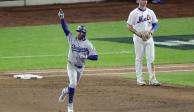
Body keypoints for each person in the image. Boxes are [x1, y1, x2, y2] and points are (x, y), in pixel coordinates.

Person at [58, 9, 98, 112]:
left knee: (73, 86)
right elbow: (65, 28)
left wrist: (86, 57)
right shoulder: (72, 38)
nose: (78, 33)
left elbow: (96, 57)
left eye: (79, 32)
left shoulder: (88, 44)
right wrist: (62, 18)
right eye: (77, 32)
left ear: (83, 33)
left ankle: (64, 91)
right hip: (71, 65)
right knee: (73, 84)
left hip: (80, 68)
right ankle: (70, 106)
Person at [127, 0, 160, 86]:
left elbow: (155, 24)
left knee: (151, 58)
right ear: (137, 1)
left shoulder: (150, 12)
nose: (144, 1)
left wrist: (151, 32)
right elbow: (129, 26)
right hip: (138, 39)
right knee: (139, 59)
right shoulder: (133, 13)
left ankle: (152, 79)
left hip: (149, 39)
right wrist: (138, 34)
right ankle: (139, 79)